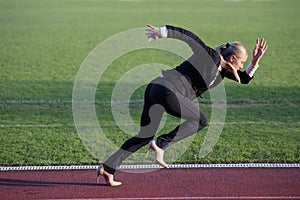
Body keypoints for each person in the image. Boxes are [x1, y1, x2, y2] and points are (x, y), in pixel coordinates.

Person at [97, 24, 268, 186]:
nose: (241, 66)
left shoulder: (223, 71)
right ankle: (160, 144)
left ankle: (108, 168)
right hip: (167, 91)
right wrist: (162, 32)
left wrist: (254, 61)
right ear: (232, 58)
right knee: (201, 120)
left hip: (155, 88)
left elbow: (244, 79)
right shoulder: (210, 55)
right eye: (242, 63)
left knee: (145, 135)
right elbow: (188, 36)